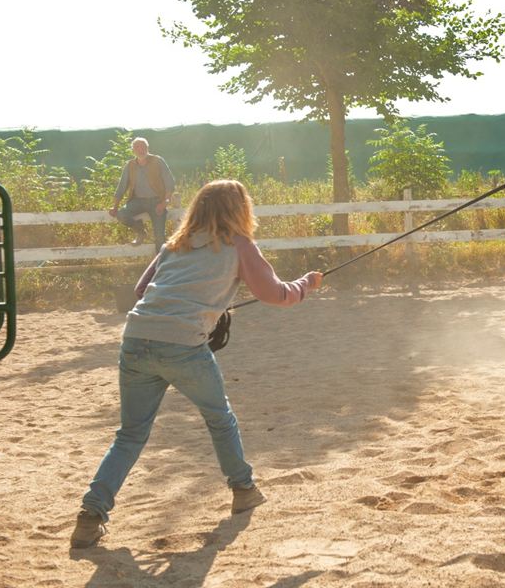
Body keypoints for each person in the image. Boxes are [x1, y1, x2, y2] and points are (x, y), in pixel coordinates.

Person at [71, 179, 323, 549]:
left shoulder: (175, 244)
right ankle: (243, 489)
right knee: (220, 419)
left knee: (130, 435)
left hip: (136, 338)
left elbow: (144, 290)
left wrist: (205, 299)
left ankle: (91, 514)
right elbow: (275, 294)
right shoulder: (239, 245)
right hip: (183, 346)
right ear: (240, 210)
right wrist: (306, 284)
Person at [110, 137, 175, 251]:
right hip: (138, 201)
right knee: (121, 214)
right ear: (133, 150)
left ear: (147, 148)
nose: (141, 150)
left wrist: (165, 203)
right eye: (137, 147)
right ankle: (140, 231)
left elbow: (170, 183)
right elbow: (121, 186)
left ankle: (159, 266)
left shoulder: (157, 161)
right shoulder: (130, 165)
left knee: (159, 236)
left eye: (143, 147)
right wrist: (115, 206)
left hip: (157, 201)